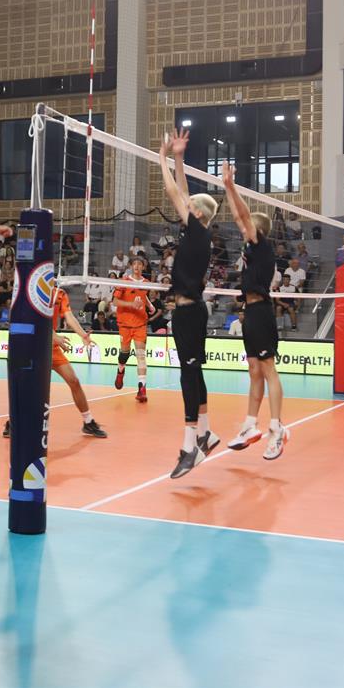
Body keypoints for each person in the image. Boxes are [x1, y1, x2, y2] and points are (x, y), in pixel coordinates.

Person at [158, 129, 219, 479]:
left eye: (190, 205)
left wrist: (162, 157)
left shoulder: (198, 231)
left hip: (190, 313)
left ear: (197, 213)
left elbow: (173, 192)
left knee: (188, 374)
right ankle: (206, 432)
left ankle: (190, 446)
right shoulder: (198, 232)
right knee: (194, 372)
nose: (186, 204)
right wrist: (179, 158)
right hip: (189, 311)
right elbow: (182, 193)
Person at [223, 160, 288, 460]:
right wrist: (227, 188)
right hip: (249, 312)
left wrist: (230, 186)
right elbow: (239, 217)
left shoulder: (261, 245)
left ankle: (277, 428)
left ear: (256, 230)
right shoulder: (251, 249)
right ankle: (250, 425)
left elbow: (243, 215)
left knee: (268, 369)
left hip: (261, 312)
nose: (241, 228)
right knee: (253, 370)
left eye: (247, 227)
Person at [3, 280, 107, 439]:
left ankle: (88, 422)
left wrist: (83, 335)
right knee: (28, 388)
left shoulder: (60, 294)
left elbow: (69, 317)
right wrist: (54, 337)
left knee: (74, 381)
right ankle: (13, 423)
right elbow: (35, 321)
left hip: (51, 347)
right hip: (32, 346)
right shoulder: (32, 292)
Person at [113, 257, 155, 403]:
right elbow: (115, 301)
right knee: (124, 353)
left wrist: (149, 305)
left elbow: (143, 295)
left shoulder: (146, 283)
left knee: (141, 356)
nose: (136, 266)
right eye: (134, 264)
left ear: (143, 267)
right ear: (131, 266)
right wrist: (131, 304)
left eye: (139, 264)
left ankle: (142, 389)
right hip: (124, 324)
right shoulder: (124, 281)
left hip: (140, 323)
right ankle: (120, 370)